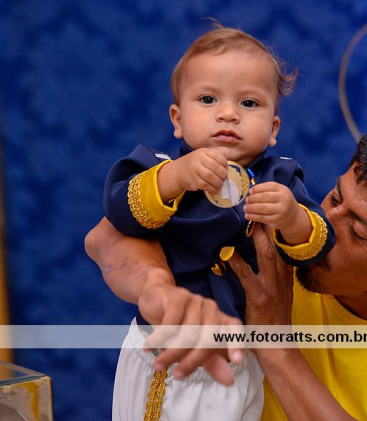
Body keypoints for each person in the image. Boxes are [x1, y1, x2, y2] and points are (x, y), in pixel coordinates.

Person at [86, 117, 367, 421]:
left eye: (357, 232)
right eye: (335, 197)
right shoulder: (289, 230)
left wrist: (274, 343)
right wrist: (161, 290)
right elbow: (105, 237)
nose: (326, 226)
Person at [100, 24, 334, 420]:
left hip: (241, 358)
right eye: (208, 99)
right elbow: (119, 212)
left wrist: (293, 218)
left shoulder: (280, 178)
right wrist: (174, 178)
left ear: (273, 128)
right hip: (166, 352)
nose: (228, 113)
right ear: (177, 119)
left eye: (249, 103)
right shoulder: (159, 168)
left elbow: (320, 246)